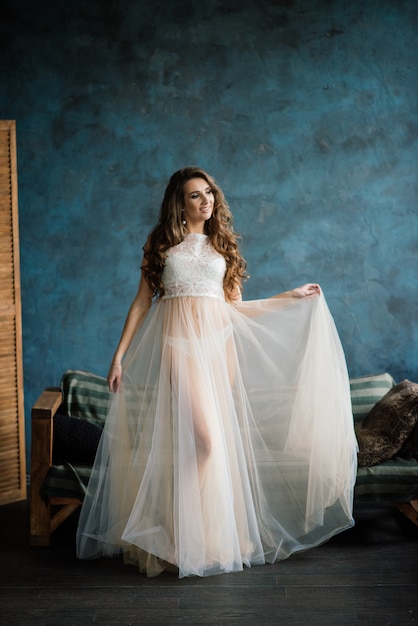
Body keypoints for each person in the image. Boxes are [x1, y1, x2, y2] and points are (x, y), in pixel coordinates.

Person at [76, 166, 357, 578]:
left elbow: (236, 309)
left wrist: (289, 296)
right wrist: (118, 358)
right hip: (179, 348)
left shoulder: (221, 246)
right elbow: (141, 303)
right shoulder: (161, 244)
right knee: (205, 443)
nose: (205, 200)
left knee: (208, 447)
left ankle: (201, 538)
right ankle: (173, 533)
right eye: (195, 195)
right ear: (180, 202)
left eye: (208, 193)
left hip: (218, 349)